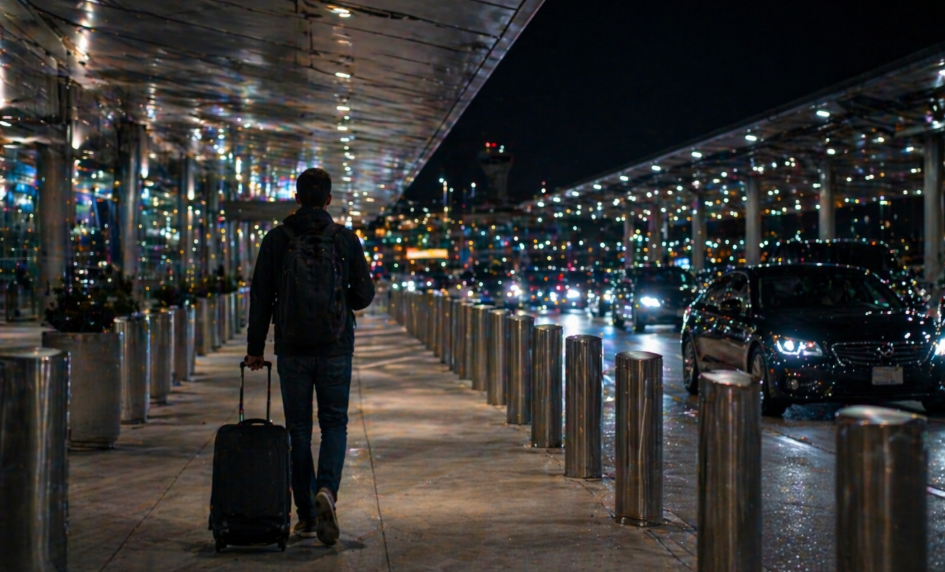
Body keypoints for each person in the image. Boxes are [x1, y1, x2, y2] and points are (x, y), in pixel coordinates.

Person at [245, 167, 374, 545]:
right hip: (335, 347)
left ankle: (305, 515)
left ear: (297, 199)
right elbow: (364, 294)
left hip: (293, 350)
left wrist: (255, 349)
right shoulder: (345, 239)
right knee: (335, 424)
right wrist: (339, 304)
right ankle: (328, 492)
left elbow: (260, 298)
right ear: (329, 200)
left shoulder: (276, 240)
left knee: (298, 430)